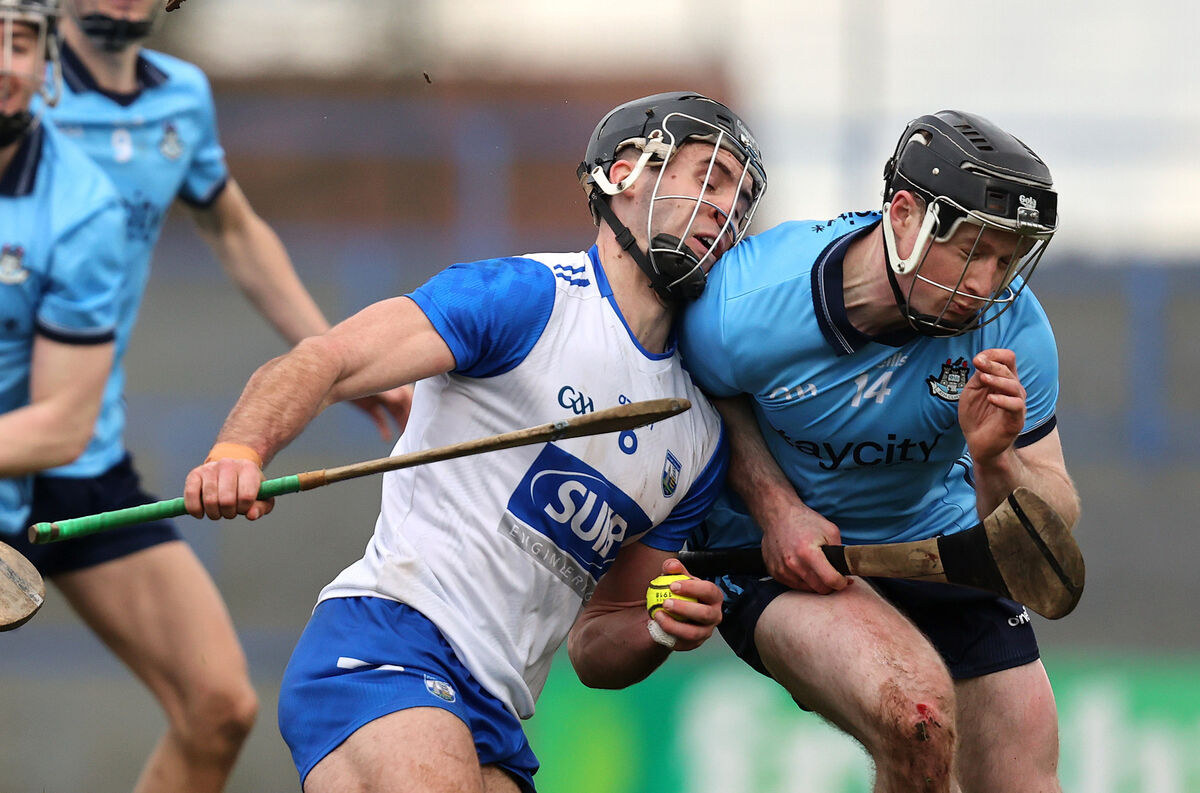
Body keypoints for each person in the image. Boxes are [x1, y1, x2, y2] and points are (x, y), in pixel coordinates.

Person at [182, 91, 767, 793]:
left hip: (497, 716)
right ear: (625, 173)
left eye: (740, 197)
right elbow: (325, 360)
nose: (725, 209)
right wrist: (239, 451)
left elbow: (597, 644)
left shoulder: (698, 436)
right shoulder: (524, 298)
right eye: (709, 176)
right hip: (388, 643)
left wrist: (659, 628)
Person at [9, 2, 408, 792]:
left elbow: (234, 230)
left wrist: (328, 363)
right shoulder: (18, 82)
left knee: (219, 705)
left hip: (80, 450)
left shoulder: (180, 97)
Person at [678, 110, 1081, 793]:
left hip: (935, 545)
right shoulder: (745, 303)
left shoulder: (1014, 328)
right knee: (915, 716)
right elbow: (706, 395)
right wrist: (777, 510)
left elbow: (1054, 516)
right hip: (779, 562)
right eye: (974, 251)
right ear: (903, 217)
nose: (986, 285)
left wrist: (995, 462)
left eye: (1007, 260)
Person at [0, 0, 123, 570]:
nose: (2, 63)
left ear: (46, 60)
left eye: (19, 43)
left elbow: (63, 427)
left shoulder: (81, 207)